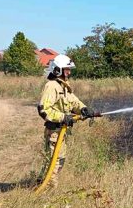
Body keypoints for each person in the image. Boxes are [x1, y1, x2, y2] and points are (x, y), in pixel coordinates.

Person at [36, 55, 95, 187]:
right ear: (57, 69)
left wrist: (84, 109)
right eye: (66, 69)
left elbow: (74, 102)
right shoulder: (52, 86)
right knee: (54, 162)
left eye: (69, 69)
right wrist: (63, 117)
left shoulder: (63, 86)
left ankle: (41, 184)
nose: (69, 72)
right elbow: (44, 109)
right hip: (54, 132)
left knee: (57, 160)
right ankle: (48, 190)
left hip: (61, 132)